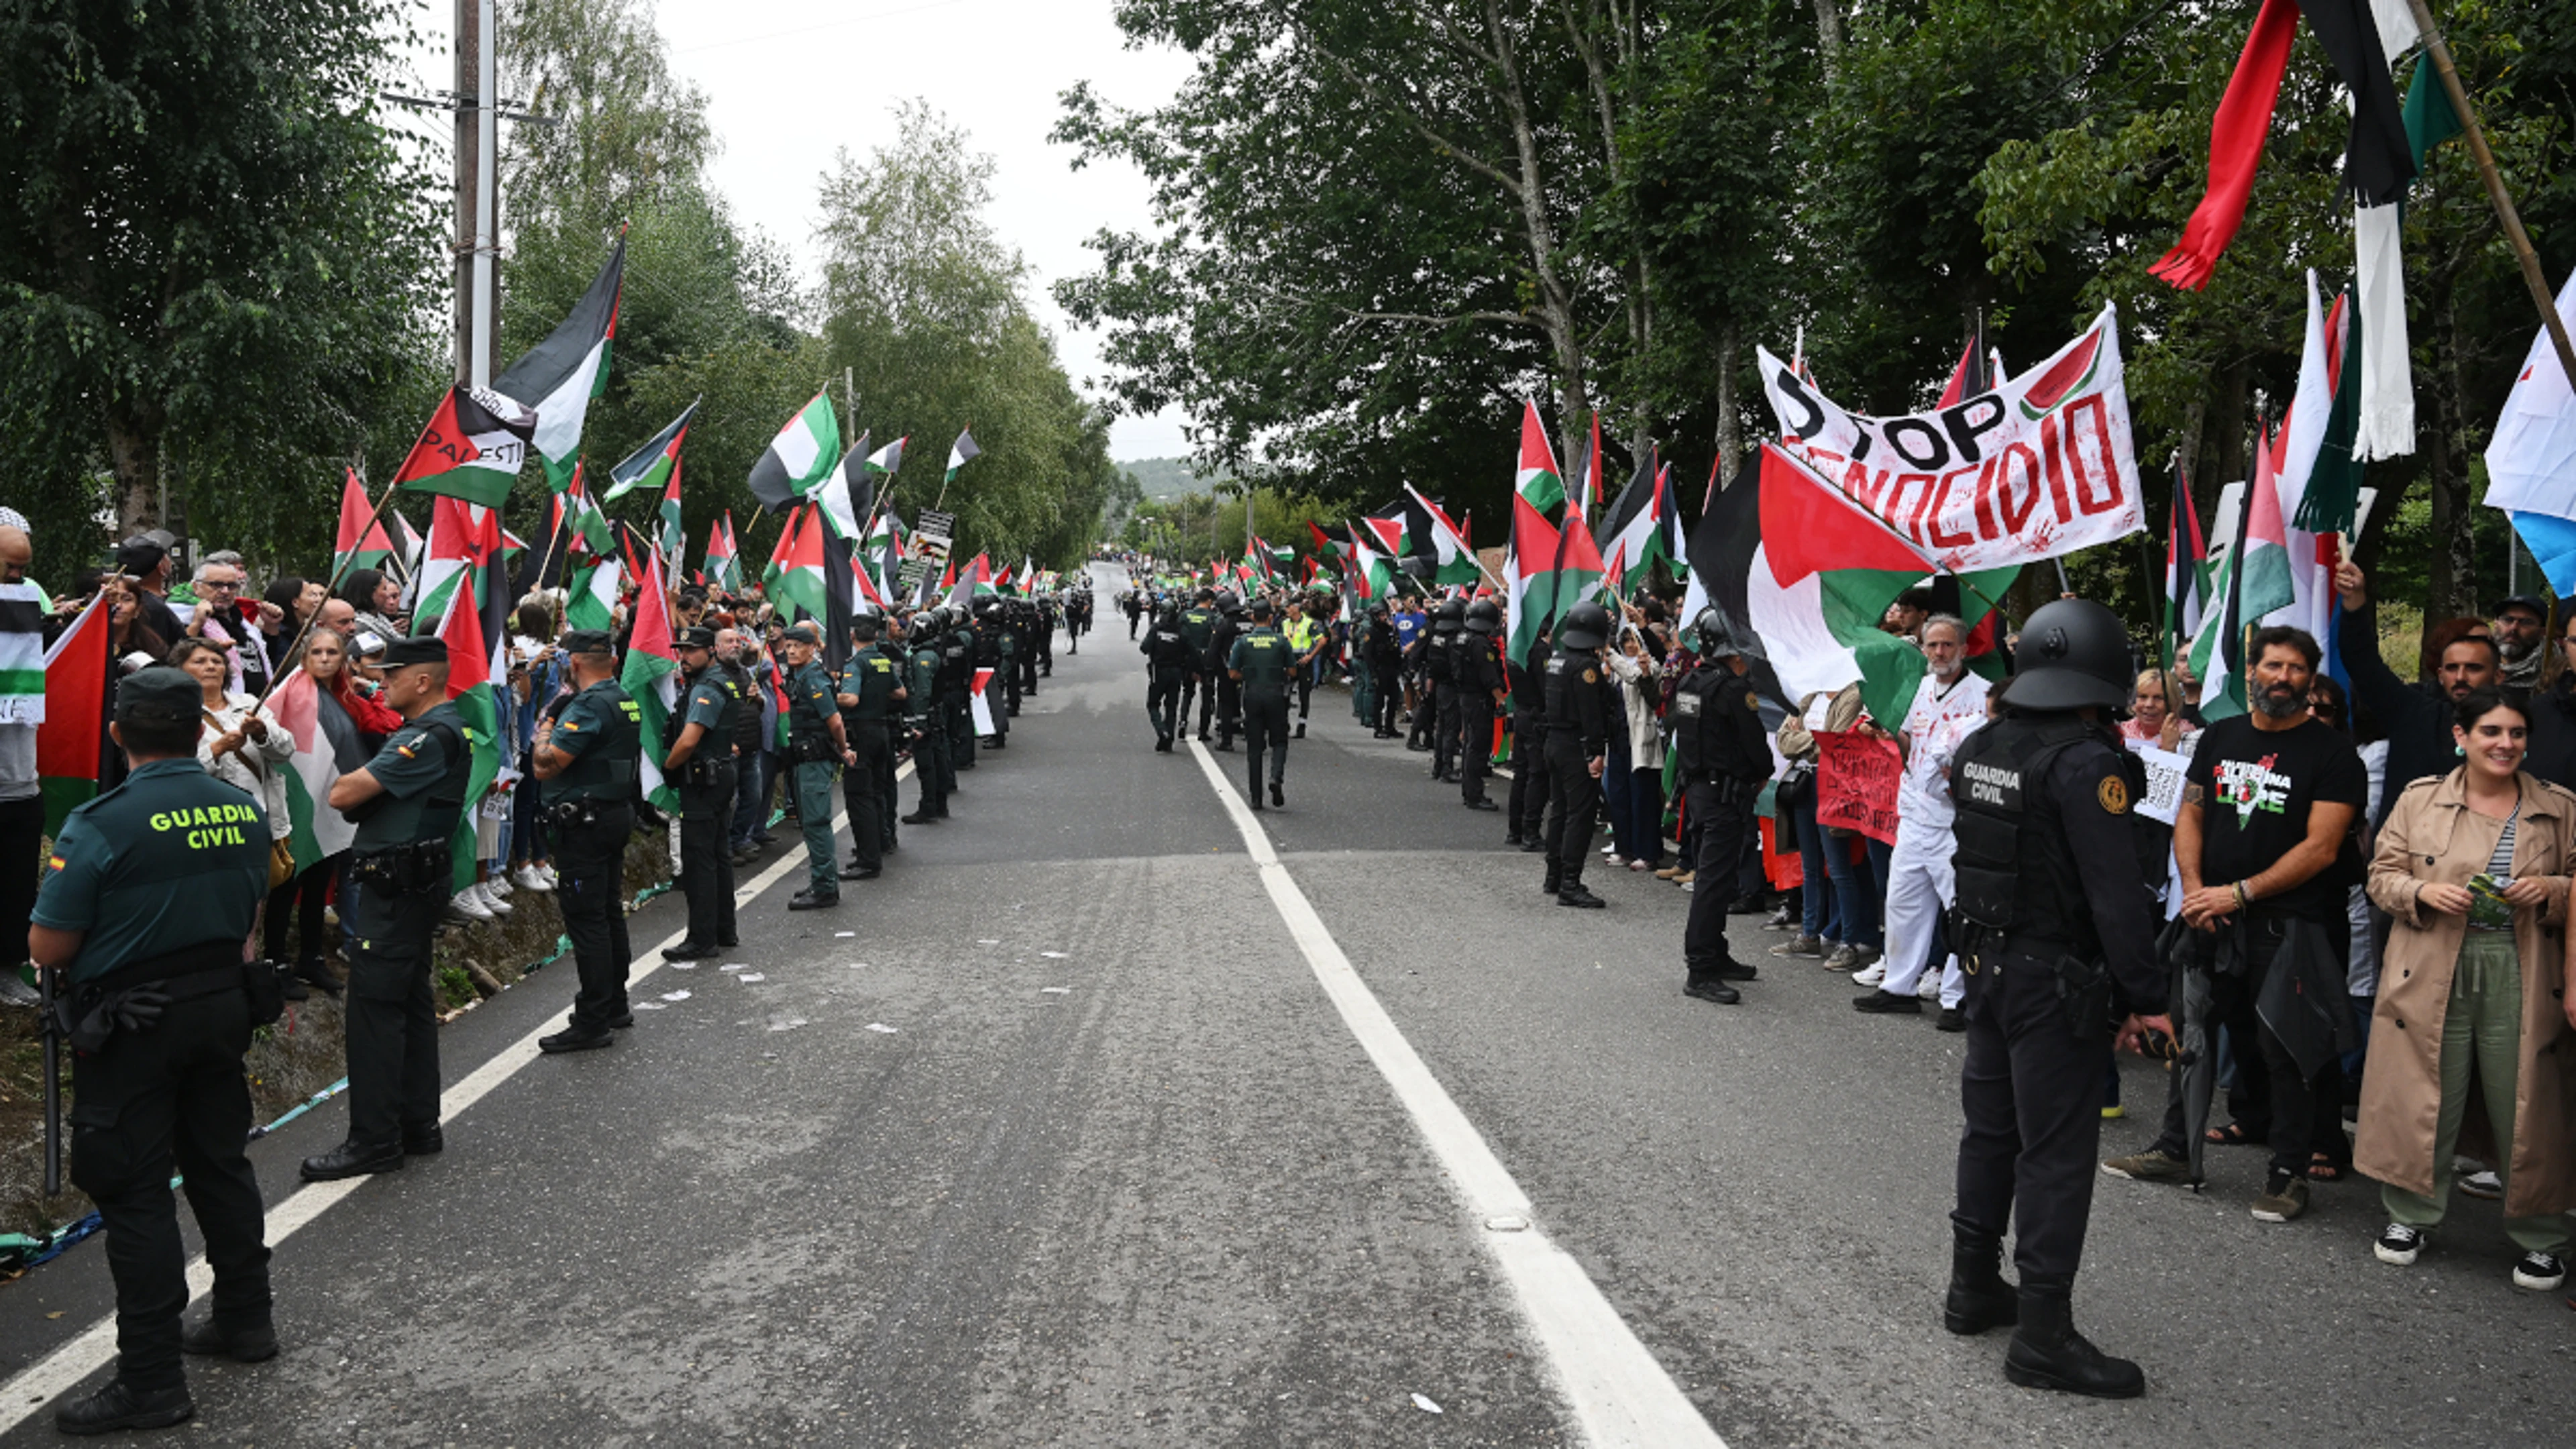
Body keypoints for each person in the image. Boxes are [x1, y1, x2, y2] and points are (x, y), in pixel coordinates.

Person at [30, 665, 278, 1434]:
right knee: (219, 1164)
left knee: (134, 1191)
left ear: (118, 734)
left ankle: (151, 1380)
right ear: (197, 729)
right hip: (224, 1007)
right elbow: (252, 908)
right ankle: (246, 1318)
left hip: (133, 1025)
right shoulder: (241, 807)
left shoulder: (101, 821)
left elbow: (49, 946)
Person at [1940, 600, 2171, 1399]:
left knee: (1991, 1132)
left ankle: (1972, 1286)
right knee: (2056, 1154)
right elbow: (2116, 895)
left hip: (1985, 963)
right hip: (2052, 980)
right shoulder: (2084, 764)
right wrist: (2147, 998)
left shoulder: (1981, 744)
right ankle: (2043, 1335)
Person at [2107, 627, 2367, 1223]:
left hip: (2290, 926)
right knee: (2191, 1036)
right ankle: (2176, 1150)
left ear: (2310, 679)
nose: (2284, 678)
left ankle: (2288, 1174)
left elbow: (2322, 847)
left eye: (2296, 669)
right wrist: (2197, 889)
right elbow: (2191, 812)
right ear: (2251, 672)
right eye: (2273, 666)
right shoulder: (2221, 737)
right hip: (2210, 918)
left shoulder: (2334, 755)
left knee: (2288, 1050)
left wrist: (2240, 893)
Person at [2359, 688, 2575, 1289]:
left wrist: (2551, 890)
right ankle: (2410, 1216)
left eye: (2516, 733)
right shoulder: (2420, 799)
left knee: (2529, 1101)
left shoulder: (2560, 807)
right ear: (2462, 737)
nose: (2505, 744)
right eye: (2491, 732)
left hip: (2524, 964)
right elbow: (2380, 876)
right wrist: (2422, 892)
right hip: (2430, 960)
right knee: (2425, 1091)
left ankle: (2543, 1236)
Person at [302, 637, 471, 1180]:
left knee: (374, 1011)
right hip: (411, 882)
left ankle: (374, 1139)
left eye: (391, 675)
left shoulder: (427, 736)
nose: (382, 684)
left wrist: (356, 777)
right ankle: (417, 1124)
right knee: (410, 1001)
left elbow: (343, 795)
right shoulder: (434, 729)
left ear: (422, 681)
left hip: (397, 888)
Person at [1858, 616, 1991, 1026]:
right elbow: (1910, 742)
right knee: (1903, 903)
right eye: (1932, 645)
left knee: (1960, 910)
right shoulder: (1919, 688)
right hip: (1914, 813)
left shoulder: (1983, 695)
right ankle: (1899, 987)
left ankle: (1957, 998)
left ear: (1963, 649)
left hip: (1955, 821)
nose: (1939, 653)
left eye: (1947, 645)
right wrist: (1886, 732)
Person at [528, 630, 641, 1051]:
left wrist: (547, 724)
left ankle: (593, 1019)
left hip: (585, 824)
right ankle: (615, 1003)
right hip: (611, 814)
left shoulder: (588, 705)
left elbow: (545, 765)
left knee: (588, 920)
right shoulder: (623, 697)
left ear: (574, 663)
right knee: (608, 912)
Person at [2336, 560, 2500, 822]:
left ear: (2498, 676)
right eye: (2452, 668)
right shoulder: (2412, 713)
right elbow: (2362, 662)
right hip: (2406, 845)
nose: (2460, 677)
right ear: (2440, 675)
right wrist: (2355, 602)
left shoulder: (2516, 728)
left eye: (2473, 668)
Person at [1672, 609, 1771, 1003]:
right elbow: (1755, 744)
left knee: (1717, 878)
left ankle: (1715, 952)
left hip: (1699, 790)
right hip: (1724, 795)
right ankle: (1701, 969)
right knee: (1714, 884)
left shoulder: (1690, 681)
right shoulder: (1732, 689)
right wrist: (1760, 772)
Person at [662, 625, 742, 961]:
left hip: (703, 780)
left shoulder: (707, 687)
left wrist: (668, 768)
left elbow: (689, 740)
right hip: (719, 773)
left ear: (710, 651)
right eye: (681, 650)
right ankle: (724, 929)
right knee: (718, 855)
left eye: (691, 650)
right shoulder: (722, 680)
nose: (684, 657)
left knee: (699, 862)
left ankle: (702, 938)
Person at [1540, 601, 1617, 908]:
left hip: (1554, 741)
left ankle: (1554, 875)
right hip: (1576, 746)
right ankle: (1570, 883)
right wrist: (1596, 751)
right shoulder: (1586, 667)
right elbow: (1591, 714)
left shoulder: (1557, 659)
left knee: (1560, 810)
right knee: (1580, 815)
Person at [778, 623, 855, 909]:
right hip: (803, 760)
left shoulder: (813, 679)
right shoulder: (800, 676)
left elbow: (835, 721)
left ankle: (825, 889)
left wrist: (844, 749)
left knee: (817, 823)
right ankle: (821, 880)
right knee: (810, 825)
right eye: (788, 646)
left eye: (798, 646)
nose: (791, 651)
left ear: (812, 648)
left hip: (814, 760)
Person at [834, 614, 905, 882]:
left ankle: (867, 859)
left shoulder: (856, 664)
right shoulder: (883, 660)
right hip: (881, 729)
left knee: (858, 796)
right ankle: (881, 842)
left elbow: (851, 699)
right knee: (878, 791)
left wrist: (830, 693)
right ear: (876, 635)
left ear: (852, 635)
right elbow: (900, 693)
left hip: (861, 732)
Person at [1228, 598, 1295, 808]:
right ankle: (1276, 777)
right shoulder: (1282, 641)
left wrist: (1250, 675)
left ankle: (1256, 798)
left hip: (1253, 695)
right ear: (1271, 617)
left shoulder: (1243, 642)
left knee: (1254, 747)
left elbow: (1233, 674)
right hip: (1275, 694)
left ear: (1252, 617)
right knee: (1280, 741)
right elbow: (1292, 671)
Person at [1454, 600, 1506, 810]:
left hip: (1466, 697)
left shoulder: (1464, 638)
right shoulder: (1481, 644)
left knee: (1470, 745)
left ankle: (1470, 791)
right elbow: (1489, 677)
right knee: (1478, 747)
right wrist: (1501, 701)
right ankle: (1475, 794)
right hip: (1479, 700)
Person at [901, 610, 952, 822]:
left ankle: (929, 806)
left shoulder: (924, 657)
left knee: (926, 763)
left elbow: (922, 692)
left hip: (928, 715)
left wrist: (919, 722)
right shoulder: (933, 651)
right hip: (936, 713)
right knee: (939, 759)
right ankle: (940, 804)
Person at [1507, 619, 1552, 851]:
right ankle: (1530, 832)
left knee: (1521, 774)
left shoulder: (1515, 647)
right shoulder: (1539, 650)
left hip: (1521, 712)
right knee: (1537, 774)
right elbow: (1546, 687)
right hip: (1536, 716)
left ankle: (1515, 829)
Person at [1142, 600, 1193, 750]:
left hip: (1159, 672)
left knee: (1153, 704)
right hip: (1177, 672)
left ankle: (1162, 731)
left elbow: (1144, 648)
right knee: (1171, 707)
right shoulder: (1182, 630)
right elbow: (1191, 651)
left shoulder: (1157, 628)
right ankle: (1168, 740)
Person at [2492, 594, 2548, 692]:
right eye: (2508, 620)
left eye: (2526, 622)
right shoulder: (2478, 660)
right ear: (2496, 624)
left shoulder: (2553, 670)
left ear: (2542, 632)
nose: (2514, 628)